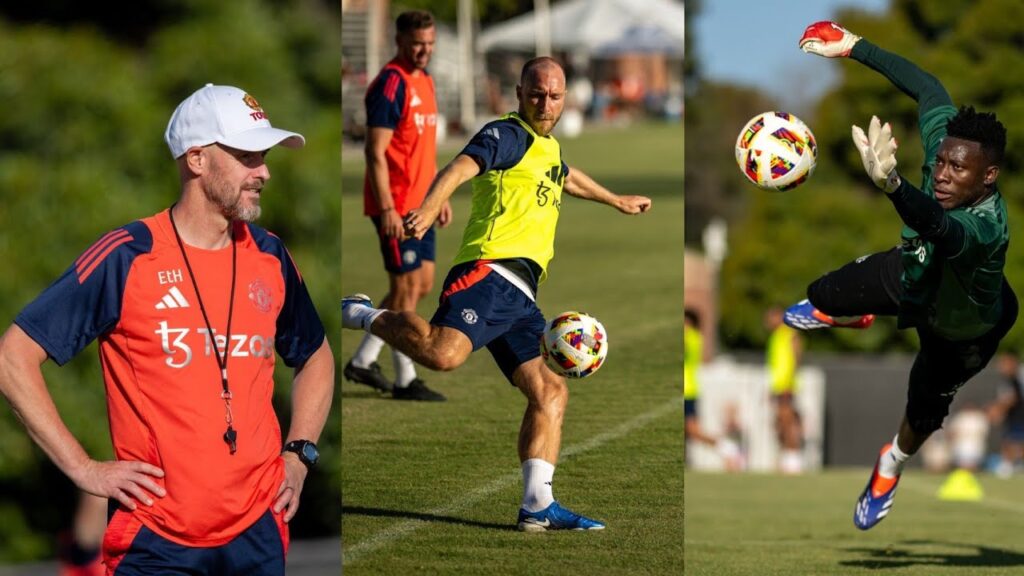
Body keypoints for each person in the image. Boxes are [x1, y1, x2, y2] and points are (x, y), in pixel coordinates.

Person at [0, 84, 334, 573]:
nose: (262, 171)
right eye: (245, 155)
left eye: (262, 156)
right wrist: (82, 467)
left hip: (259, 531)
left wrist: (300, 454)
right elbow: (13, 357)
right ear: (197, 160)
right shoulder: (127, 254)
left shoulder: (271, 256)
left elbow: (316, 355)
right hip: (155, 540)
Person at [343, 56, 652, 531]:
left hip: (522, 294)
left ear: (565, 97)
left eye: (553, 96)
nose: (544, 104)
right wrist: (428, 208)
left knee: (550, 391)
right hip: (488, 271)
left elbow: (565, 175)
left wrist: (615, 201)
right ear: (519, 92)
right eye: (535, 94)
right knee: (444, 355)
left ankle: (536, 506)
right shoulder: (505, 134)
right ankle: (365, 314)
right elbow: (459, 167)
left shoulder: (545, 147)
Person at [786, 22, 1016, 530]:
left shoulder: (986, 228)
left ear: (988, 176)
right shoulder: (949, 145)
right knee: (810, 300)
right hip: (915, 274)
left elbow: (936, 226)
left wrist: (891, 184)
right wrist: (853, 46)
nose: (941, 173)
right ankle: (854, 313)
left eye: (957, 169)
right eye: (939, 163)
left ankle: (889, 467)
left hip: (963, 331)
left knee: (923, 414)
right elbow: (928, 86)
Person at [343, 10, 451, 402]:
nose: (425, 51)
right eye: (418, 43)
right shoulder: (390, 84)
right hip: (398, 207)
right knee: (404, 291)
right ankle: (406, 379)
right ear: (399, 42)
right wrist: (387, 208)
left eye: (430, 43)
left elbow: (425, 150)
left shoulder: (426, 80)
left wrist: (439, 196)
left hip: (422, 205)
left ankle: (362, 361)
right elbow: (374, 152)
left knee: (419, 285)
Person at [683, 309, 741, 469]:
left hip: (687, 389)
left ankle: (728, 449)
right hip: (687, 388)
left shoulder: (691, 337)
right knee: (688, 431)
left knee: (693, 431)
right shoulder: (693, 337)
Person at [764, 307, 804, 474]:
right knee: (779, 423)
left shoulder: (789, 333)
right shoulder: (775, 337)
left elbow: (796, 358)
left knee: (787, 422)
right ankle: (786, 457)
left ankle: (794, 458)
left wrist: (789, 382)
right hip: (778, 385)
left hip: (786, 385)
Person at [990, 353, 1024, 477]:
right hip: (1014, 416)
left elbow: (1011, 398)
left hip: (1019, 415)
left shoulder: (1020, 375)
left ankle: (1010, 464)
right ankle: (1010, 464)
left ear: (1012, 362)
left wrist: (999, 409)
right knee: (1010, 439)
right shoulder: (1007, 380)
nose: (1001, 367)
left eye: (1004, 363)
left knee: (1015, 440)